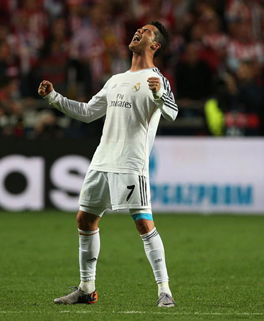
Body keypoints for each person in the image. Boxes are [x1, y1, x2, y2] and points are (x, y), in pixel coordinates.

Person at [38, 21, 178, 307]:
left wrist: (158, 96)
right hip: (101, 161)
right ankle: (86, 288)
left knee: (143, 223)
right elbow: (88, 112)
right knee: (85, 219)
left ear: (155, 45)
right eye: (140, 28)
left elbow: (173, 114)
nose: (139, 31)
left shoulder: (157, 79)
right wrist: (54, 97)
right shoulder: (115, 80)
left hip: (130, 164)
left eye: (147, 31)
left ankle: (165, 290)